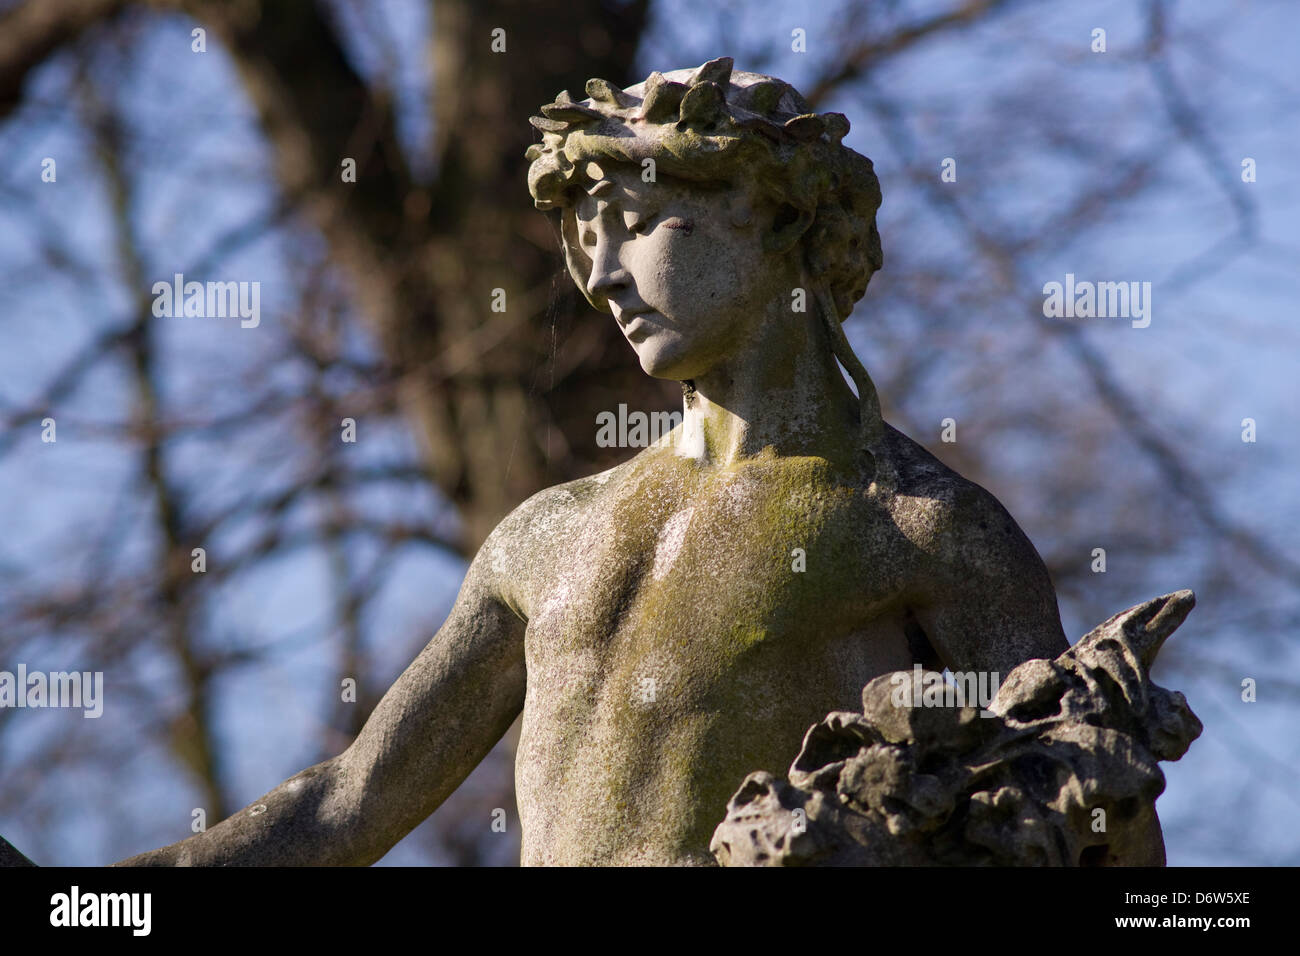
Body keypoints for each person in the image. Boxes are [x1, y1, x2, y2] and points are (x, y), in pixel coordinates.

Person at [113, 58, 1069, 867]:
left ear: (778, 219)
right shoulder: (544, 537)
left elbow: (1087, 824)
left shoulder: (923, 530)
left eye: (634, 222)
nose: (604, 276)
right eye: (584, 243)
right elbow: (345, 805)